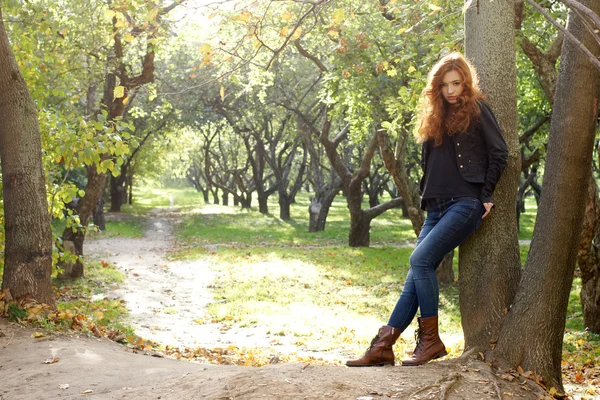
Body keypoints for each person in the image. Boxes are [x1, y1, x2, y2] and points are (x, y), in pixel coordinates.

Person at [346, 52, 508, 367]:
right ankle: (383, 345)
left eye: (457, 83)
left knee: (419, 260)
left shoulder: (477, 111)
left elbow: (499, 151)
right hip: (435, 206)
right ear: (436, 86)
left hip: (465, 203)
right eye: (445, 84)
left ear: (466, 82)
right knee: (415, 273)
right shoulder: (433, 116)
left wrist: (486, 194)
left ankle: (431, 341)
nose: (451, 90)